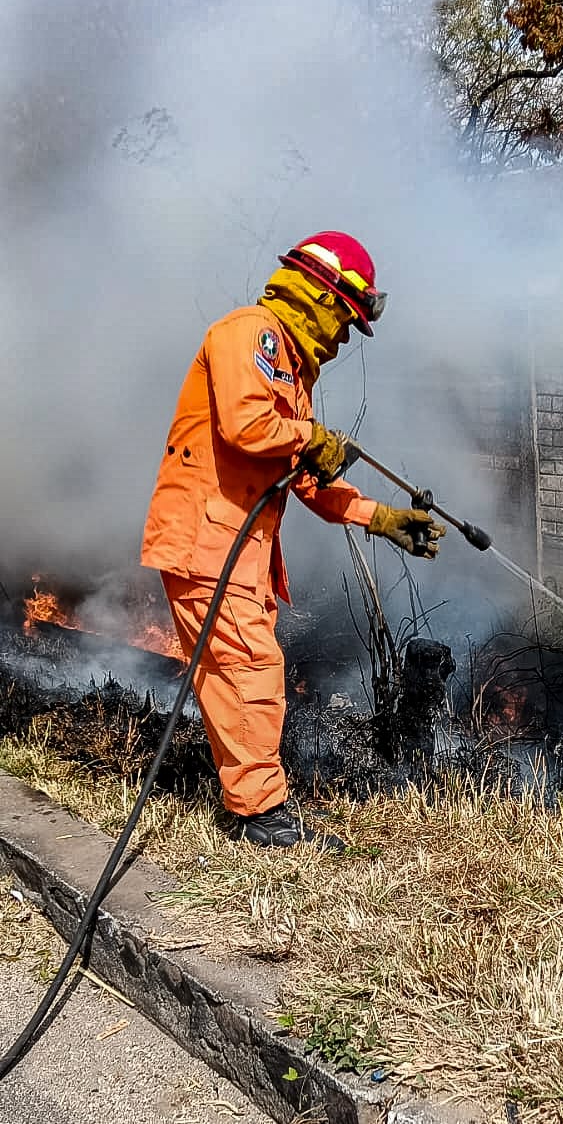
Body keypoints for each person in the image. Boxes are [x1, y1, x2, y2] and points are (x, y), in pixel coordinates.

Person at [141, 231, 444, 847]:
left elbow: (306, 480)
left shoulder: (291, 374)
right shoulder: (249, 333)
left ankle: (253, 802)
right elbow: (250, 425)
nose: (339, 343)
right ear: (320, 298)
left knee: (241, 669)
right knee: (250, 667)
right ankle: (258, 816)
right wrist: (310, 438)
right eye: (343, 323)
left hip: (237, 552)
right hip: (206, 541)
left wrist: (383, 519)